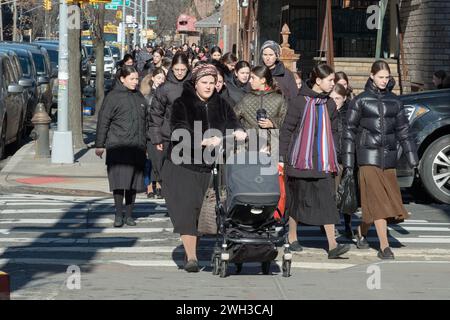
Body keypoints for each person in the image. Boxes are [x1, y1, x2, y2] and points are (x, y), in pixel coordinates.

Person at [161, 64, 247, 272]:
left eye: (212, 82)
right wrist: (201, 141)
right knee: (187, 211)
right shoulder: (182, 103)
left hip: (213, 166)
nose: (209, 87)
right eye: (204, 83)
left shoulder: (222, 103)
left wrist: (238, 132)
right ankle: (191, 257)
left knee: (208, 211)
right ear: (195, 83)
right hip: (184, 165)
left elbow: (233, 123)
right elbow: (178, 129)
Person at [342, 60, 419, 259]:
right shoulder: (359, 101)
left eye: (387, 77)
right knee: (378, 203)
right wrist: (348, 164)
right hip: (367, 158)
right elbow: (349, 133)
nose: (384, 81)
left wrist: (412, 156)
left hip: (389, 159)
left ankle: (361, 231)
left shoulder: (395, 101)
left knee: (380, 203)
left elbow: (404, 131)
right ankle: (385, 247)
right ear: (371, 76)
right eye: (381, 77)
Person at [279, 63, 351, 259]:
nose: (332, 84)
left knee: (327, 201)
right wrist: (282, 158)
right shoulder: (299, 101)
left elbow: (335, 131)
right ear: (318, 81)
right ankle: (292, 237)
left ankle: (333, 245)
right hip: (299, 161)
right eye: (329, 80)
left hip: (322, 162)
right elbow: (287, 130)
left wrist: (334, 153)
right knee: (297, 199)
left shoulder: (329, 105)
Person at [95, 66, 147, 228]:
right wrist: (100, 144)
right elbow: (104, 121)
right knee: (118, 183)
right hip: (118, 146)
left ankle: (129, 215)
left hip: (137, 146)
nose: (135, 82)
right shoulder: (112, 97)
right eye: (132, 79)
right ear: (122, 79)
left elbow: (146, 121)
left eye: (137, 79)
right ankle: (118, 214)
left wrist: (147, 143)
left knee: (133, 184)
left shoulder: (139, 97)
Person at [148, 52, 192, 181]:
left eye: (183, 70)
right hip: (168, 137)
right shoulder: (164, 88)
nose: (180, 72)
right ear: (172, 69)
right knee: (169, 174)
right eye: (177, 69)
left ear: (187, 69)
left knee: (186, 176)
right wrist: (157, 139)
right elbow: (156, 115)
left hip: (190, 136)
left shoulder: (195, 86)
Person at [234, 65, 287, 152]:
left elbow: (287, 122)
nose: (249, 80)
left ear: (263, 80)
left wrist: (272, 123)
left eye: (253, 78)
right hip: (248, 147)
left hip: (271, 148)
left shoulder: (279, 99)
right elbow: (232, 118)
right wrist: (240, 131)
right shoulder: (246, 98)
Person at [329, 83, 354, 239]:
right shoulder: (324, 112)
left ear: (344, 98)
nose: (335, 101)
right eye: (332, 98)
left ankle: (348, 225)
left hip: (345, 158)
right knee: (330, 195)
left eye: (338, 98)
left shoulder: (350, 114)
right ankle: (328, 227)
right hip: (328, 158)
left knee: (346, 194)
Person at [140, 68, 166, 199]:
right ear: (153, 78)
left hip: (161, 132)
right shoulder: (146, 95)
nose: (161, 80)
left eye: (163, 78)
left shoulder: (164, 94)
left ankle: (159, 185)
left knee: (159, 161)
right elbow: (143, 117)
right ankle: (149, 186)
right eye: (159, 78)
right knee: (149, 161)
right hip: (149, 132)